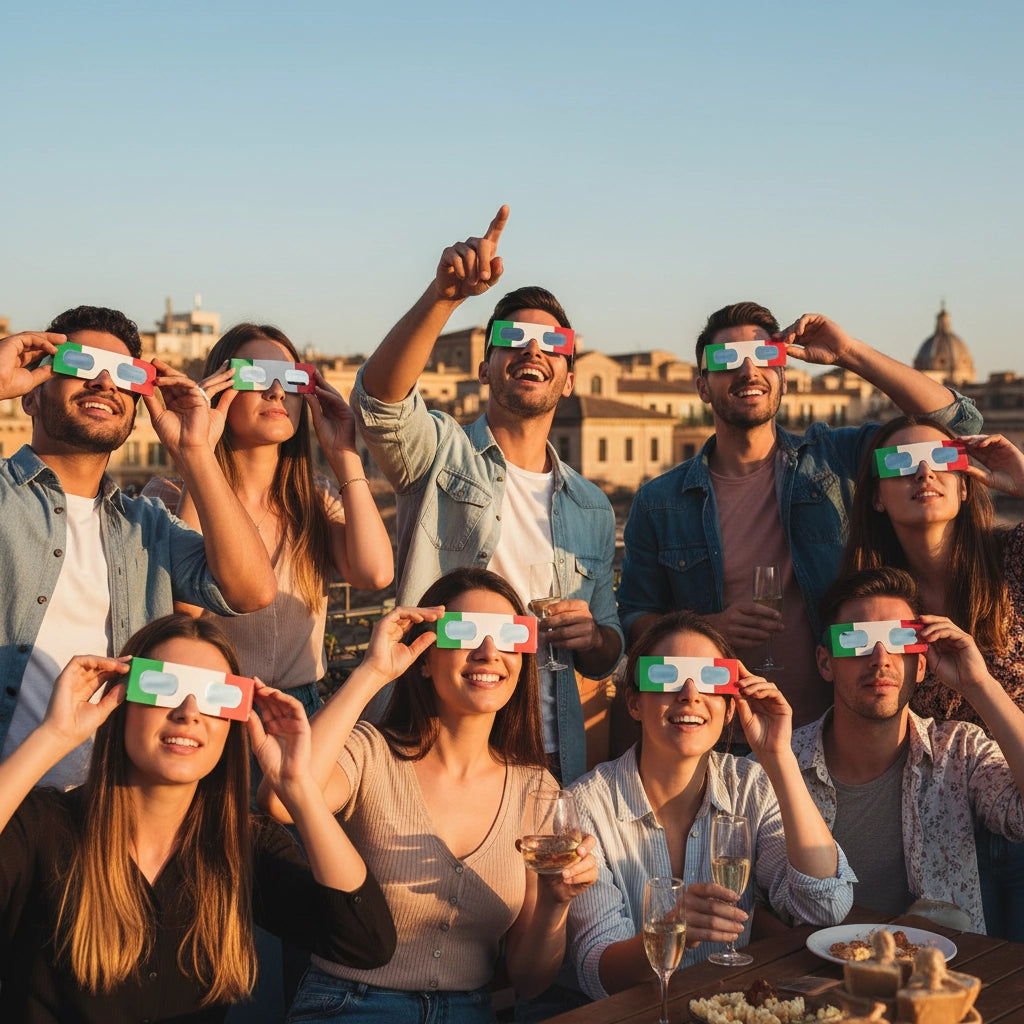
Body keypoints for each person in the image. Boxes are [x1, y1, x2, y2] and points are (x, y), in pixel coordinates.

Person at [0, 613, 396, 1024]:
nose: (189, 711)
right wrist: (54, 737)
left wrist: (297, 787)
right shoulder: (45, 828)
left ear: (234, 721)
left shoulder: (244, 845)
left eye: (215, 696)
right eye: (161, 685)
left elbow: (366, 942)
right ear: (119, 701)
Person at [351, 206, 622, 784]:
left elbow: (608, 648)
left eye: (553, 343)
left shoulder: (593, 506)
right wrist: (444, 297)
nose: (533, 350)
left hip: (552, 751)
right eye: (513, 339)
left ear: (570, 378)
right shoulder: (439, 452)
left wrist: (595, 637)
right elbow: (379, 402)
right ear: (485, 366)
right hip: (436, 742)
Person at [616, 302, 982, 728]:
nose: (748, 370)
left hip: (838, 735)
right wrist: (707, 628)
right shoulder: (659, 502)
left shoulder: (836, 460)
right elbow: (634, 623)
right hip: (719, 740)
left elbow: (960, 422)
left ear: (783, 377)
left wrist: (849, 353)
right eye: (726, 360)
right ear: (702, 386)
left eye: (765, 357)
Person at [264, 567, 598, 1023]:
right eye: (463, 633)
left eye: (508, 636)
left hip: (470, 1012)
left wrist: (556, 904)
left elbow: (530, 980)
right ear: (423, 656)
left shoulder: (536, 790)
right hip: (348, 1005)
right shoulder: (369, 753)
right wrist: (372, 672)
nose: (488, 652)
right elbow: (283, 796)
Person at [0, 307, 276, 788]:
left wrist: (195, 453)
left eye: (126, 374)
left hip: (109, 806)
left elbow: (252, 590)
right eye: (80, 364)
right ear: (30, 394)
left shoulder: (148, 526)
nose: (105, 382)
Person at [565, 611, 853, 1003]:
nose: (689, 693)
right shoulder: (586, 804)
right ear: (634, 702)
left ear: (731, 706)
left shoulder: (751, 785)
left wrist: (779, 757)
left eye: (712, 678)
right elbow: (597, 970)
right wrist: (670, 931)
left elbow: (824, 906)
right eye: (665, 676)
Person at [143, 322, 394, 719]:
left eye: (292, 379)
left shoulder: (317, 498)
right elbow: (182, 610)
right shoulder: (168, 496)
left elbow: (375, 573)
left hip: (302, 711)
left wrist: (344, 450)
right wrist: (198, 452)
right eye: (256, 376)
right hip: (206, 711)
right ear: (220, 386)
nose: (277, 391)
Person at [840, 418, 1024, 938]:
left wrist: (1022, 481)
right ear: (876, 495)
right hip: (941, 832)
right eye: (900, 463)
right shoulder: (874, 602)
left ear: (966, 483)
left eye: (942, 459)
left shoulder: (1013, 556)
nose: (923, 471)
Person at [792, 567, 1024, 934]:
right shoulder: (780, 763)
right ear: (825, 662)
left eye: (900, 639)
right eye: (856, 639)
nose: (881, 657)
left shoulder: (958, 752)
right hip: (814, 977)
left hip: (938, 980)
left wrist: (979, 685)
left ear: (921, 664)